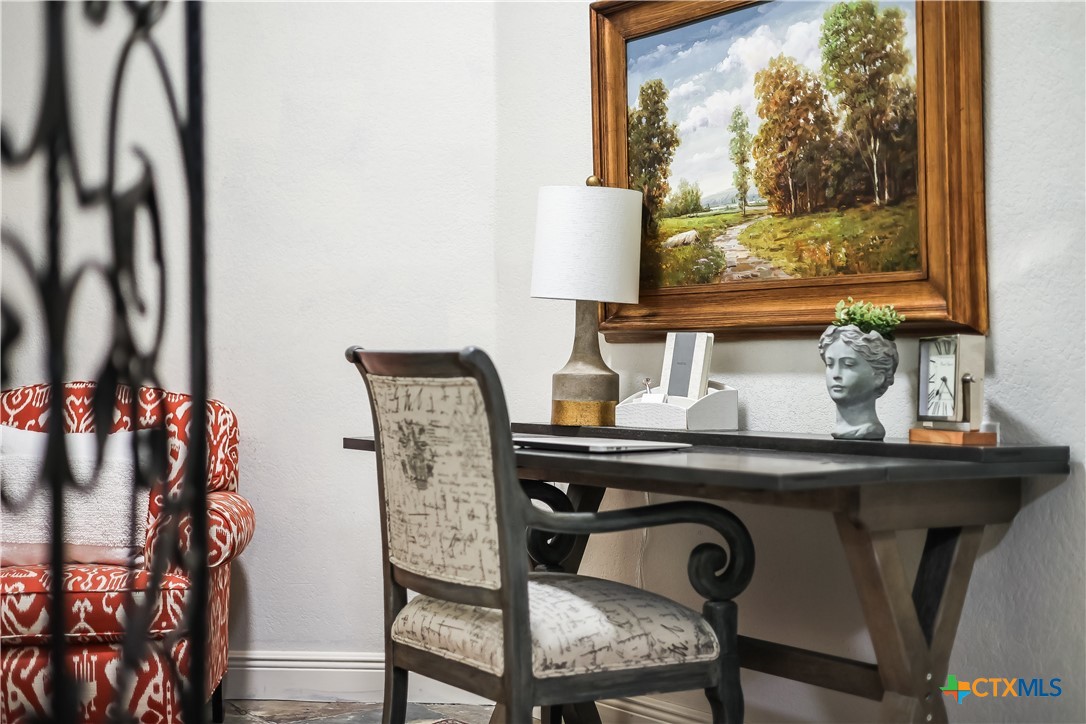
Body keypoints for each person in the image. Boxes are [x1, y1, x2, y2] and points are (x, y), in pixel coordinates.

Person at [817, 325, 899, 440]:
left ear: (879, 377)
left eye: (848, 364)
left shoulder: (870, 432)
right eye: (830, 364)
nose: (835, 374)